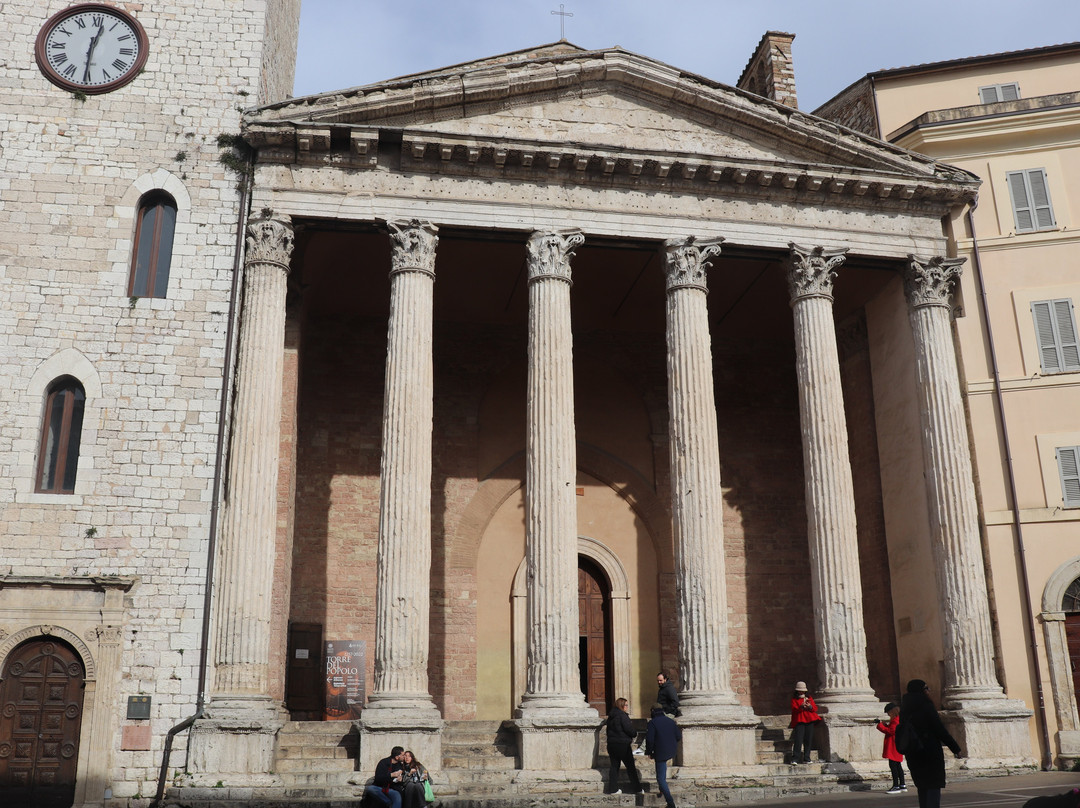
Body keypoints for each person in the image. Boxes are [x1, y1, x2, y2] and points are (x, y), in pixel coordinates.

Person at [900, 679, 961, 808]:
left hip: (913, 752)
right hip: (930, 751)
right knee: (933, 785)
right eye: (926, 688)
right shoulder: (926, 706)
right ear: (921, 691)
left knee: (922, 786)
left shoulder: (905, 708)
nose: (929, 691)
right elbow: (939, 729)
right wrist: (955, 748)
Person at [646, 702, 682, 808]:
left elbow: (649, 740)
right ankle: (662, 789)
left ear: (653, 711)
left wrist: (649, 752)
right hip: (671, 750)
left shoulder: (652, 723)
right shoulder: (670, 721)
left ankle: (670, 803)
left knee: (661, 779)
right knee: (663, 772)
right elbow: (678, 736)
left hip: (660, 752)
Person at [605, 697, 643, 795]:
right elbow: (629, 729)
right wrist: (634, 733)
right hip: (623, 744)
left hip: (612, 744)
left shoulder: (611, 716)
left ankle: (613, 789)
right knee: (630, 767)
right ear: (621, 706)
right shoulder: (622, 716)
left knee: (614, 766)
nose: (627, 707)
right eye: (625, 705)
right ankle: (637, 789)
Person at [876, 701, 907, 793]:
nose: (888, 715)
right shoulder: (898, 719)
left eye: (888, 713)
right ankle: (902, 785)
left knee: (893, 766)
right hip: (896, 746)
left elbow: (890, 731)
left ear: (892, 711)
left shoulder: (896, 720)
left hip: (893, 746)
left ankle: (896, 786)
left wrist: (880, 725)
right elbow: (890, 729)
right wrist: (884, 724)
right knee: (898, 765)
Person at [789, 681, 821, 765]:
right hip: (799, 720)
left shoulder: (809, 698)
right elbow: (794, 709)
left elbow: (814, 708)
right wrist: (801, 706)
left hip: (809, 720)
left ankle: (807, 758)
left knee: (808, 740)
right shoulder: (794, 699)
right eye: (800, 691)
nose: (801, 692)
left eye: (803, 691)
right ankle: (795, 758)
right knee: (798, 740)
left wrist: (809, 706)